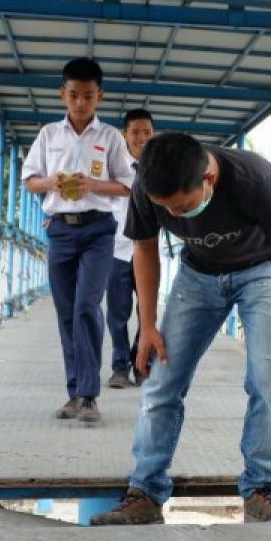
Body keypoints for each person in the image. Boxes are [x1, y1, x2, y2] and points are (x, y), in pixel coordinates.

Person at [90, 133, 271, 526]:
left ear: (209, 180)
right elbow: (145, 250)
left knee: (268, 380)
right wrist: (147, 325)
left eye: (183, 206)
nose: (175, 216)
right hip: (197, 275)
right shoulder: (149, 187)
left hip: (262, 271)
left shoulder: (255, 181)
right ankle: (144, 492)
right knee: (161, 379)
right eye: (167, 210)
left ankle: (262, 490)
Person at [22, 58, 135, 426]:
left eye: (88, 96)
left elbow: (127, 185)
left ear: (99, 96)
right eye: (73, 96)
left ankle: (89, 395)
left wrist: (92, 185)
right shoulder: (49, 135)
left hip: (99, 230)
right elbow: (30, 180)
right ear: (63, 94)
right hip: (60, 231)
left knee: (88, 305)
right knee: (67, 311)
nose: (80, 103)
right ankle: (74, 393)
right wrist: (52, 182)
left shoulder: (111, 138)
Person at [105, 109, 155, 389]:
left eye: (147, 132)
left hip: (149, 251)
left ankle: (141, 362)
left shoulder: (159, 167)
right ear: (125, 135)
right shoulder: (114, 166)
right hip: (118, 250)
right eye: (135, 132)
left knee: (148, 311)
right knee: (118, 312)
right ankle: (119, 367)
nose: (141, 138)